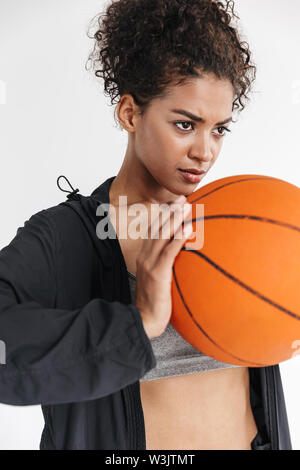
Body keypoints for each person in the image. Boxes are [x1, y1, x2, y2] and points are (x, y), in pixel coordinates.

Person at [0, 0, 292, 450]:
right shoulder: (67, 238)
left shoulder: (238, 222)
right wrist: (140, 320)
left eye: (219, 130)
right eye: (184, 124)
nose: (205, 152)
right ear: (130, 114)